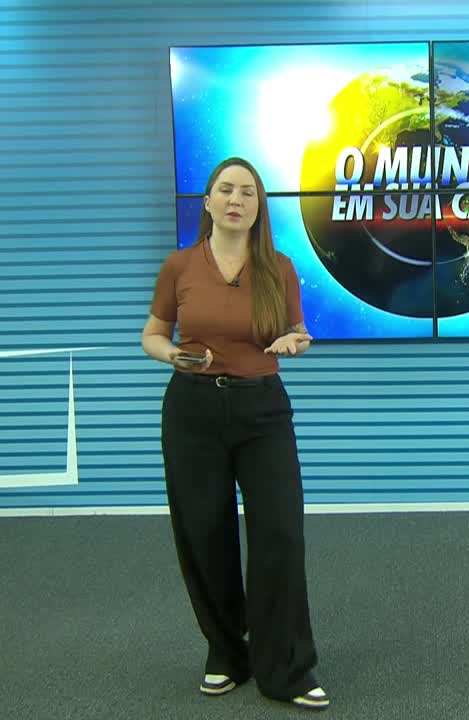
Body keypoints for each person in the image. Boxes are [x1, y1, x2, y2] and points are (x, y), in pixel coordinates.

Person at [141, 157, 327, 711]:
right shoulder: (179, 266)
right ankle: (226, 652)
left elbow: (298, 332)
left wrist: (295, 342)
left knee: (280, 534)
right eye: (226, 190)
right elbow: (152, 334)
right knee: (205, 534)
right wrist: (172, 355)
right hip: (192, 411)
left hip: (261, 410)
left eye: (247, 192)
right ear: (208, 202)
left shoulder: (279, 267)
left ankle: (287, 668)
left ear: (258, 206)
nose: (236, 200)